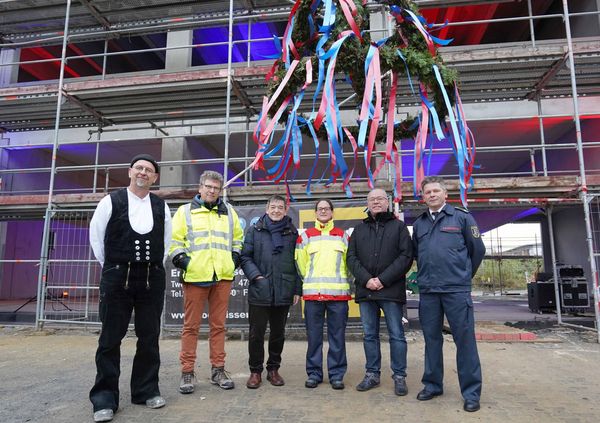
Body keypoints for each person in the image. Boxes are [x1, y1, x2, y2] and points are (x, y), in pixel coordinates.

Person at [89, 154, 172, 423]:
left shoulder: (161, 206)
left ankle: (146, 390)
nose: (143, 173)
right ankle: (104, 398)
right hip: (117, 278)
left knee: (149, 337)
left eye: (149, 170)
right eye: (139, 168)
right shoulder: (110, 201)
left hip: (151, 279)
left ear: (155, 177)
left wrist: (148, 267)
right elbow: (97, 238)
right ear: (129, 171)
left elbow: (166, 244)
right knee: (110, 340)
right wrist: (115, 266)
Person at [412, 176, 486, 412]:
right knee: (432, 340)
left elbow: (477, 250)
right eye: (427, 192)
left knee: (464, 341)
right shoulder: (420, 223)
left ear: (445, 194)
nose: (431, 195)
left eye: (435, 191)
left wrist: (463, 275)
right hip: (429, 291)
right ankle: (433, 385)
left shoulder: (462, 217)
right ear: (423, 197)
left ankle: (471, 393)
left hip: (456, 290)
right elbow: (418, 254)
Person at [169, 170, 243, 394]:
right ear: (200, 188)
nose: (212, 191)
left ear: (220, 190)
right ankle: (187, 371)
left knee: (218, 327)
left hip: (222, 277)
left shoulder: (229, 212)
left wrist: (234, 258)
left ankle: (218, 369)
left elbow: (238, 238)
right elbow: (174, 241)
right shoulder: (185, 212)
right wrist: (185, 262)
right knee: (190, 327)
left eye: (216, 188)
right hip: (195, 277)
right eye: (208, 186)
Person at [346, 188, 413, 395]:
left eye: (380, 199)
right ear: (368, 203)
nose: (376, 202)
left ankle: (399, 376)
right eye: (372, 199)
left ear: (387, 202)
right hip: (367, 291)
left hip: (390, 290)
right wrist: (367, 280)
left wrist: (382, 280)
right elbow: (351, 258)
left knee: (396, 335)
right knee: (369, 335)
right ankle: (372, 374)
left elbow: (406, 257)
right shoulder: (359, 230)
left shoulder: (400, 228)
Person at [240, 195, 301, 389]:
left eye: (280, 207)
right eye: (272, 207)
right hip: (260, 289)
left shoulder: (292, 232)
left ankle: (273, 369)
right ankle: (255, 371)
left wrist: (297, 288)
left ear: (285, 210)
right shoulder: (254, 231)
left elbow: (298, 261)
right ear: (267, 209)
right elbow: (245, 257)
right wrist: (256, 277)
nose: (276, 210)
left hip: (283, 289)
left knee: (278, 333)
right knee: (256, 334)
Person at [295, 199, 351, 390]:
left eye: (327, 209)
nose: (324, 211)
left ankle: (336, 374)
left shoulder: (343, 236)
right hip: (313, 296)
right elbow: (301, 266)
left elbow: (349, 265)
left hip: (338, 297)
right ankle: (314, 374)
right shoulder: (306, 237)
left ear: (333, 212)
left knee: (337, 337)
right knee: (314, 337)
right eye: (320, 209)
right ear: (315, 213)